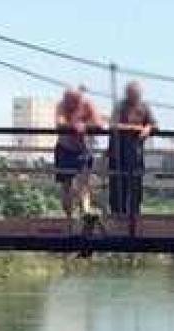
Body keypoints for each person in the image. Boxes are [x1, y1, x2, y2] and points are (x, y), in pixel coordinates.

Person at [54, 86, 104, 230]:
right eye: (68, 100)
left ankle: (85, 214)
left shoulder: (87, 105)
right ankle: (69, 219)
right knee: (66, 185)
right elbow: (59, 123)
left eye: (74, 101)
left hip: (83, 149)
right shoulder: (62, 105)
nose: (71, 104)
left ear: (79, 99)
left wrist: (85, 125)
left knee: (84, 184)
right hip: (65, 148)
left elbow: (99, 124)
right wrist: (73, 125)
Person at [109, 81, 156, 217]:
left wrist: (148, 128)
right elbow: (113, 125)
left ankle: (135, 215)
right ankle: (118, 215)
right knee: (118, 186)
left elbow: (154, 124)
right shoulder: (120, 107)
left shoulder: (144, 107)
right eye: (131, 94)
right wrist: (133, 128)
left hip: (135, 153)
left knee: (135, 186)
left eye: (136, 94)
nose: (134, 97)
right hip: (118, 153)